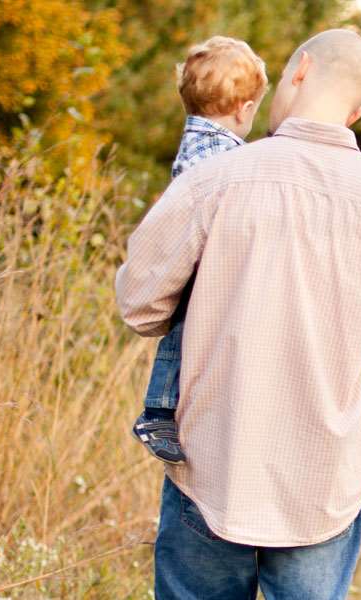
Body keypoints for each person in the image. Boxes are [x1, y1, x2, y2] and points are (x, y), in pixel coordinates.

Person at [115, 28, 361, 600]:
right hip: (323, 477)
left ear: (300, 70)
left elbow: (138, 304)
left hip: (215, 461)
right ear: (355, 111)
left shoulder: (212, 180)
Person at [132, 35, 270, 465]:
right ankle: (157, 412)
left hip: (199, 254)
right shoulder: (218, 152)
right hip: (199, 260)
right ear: (244, 110)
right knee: (179, 337)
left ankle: (165, 410)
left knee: (184, 338)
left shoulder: (200, 136)